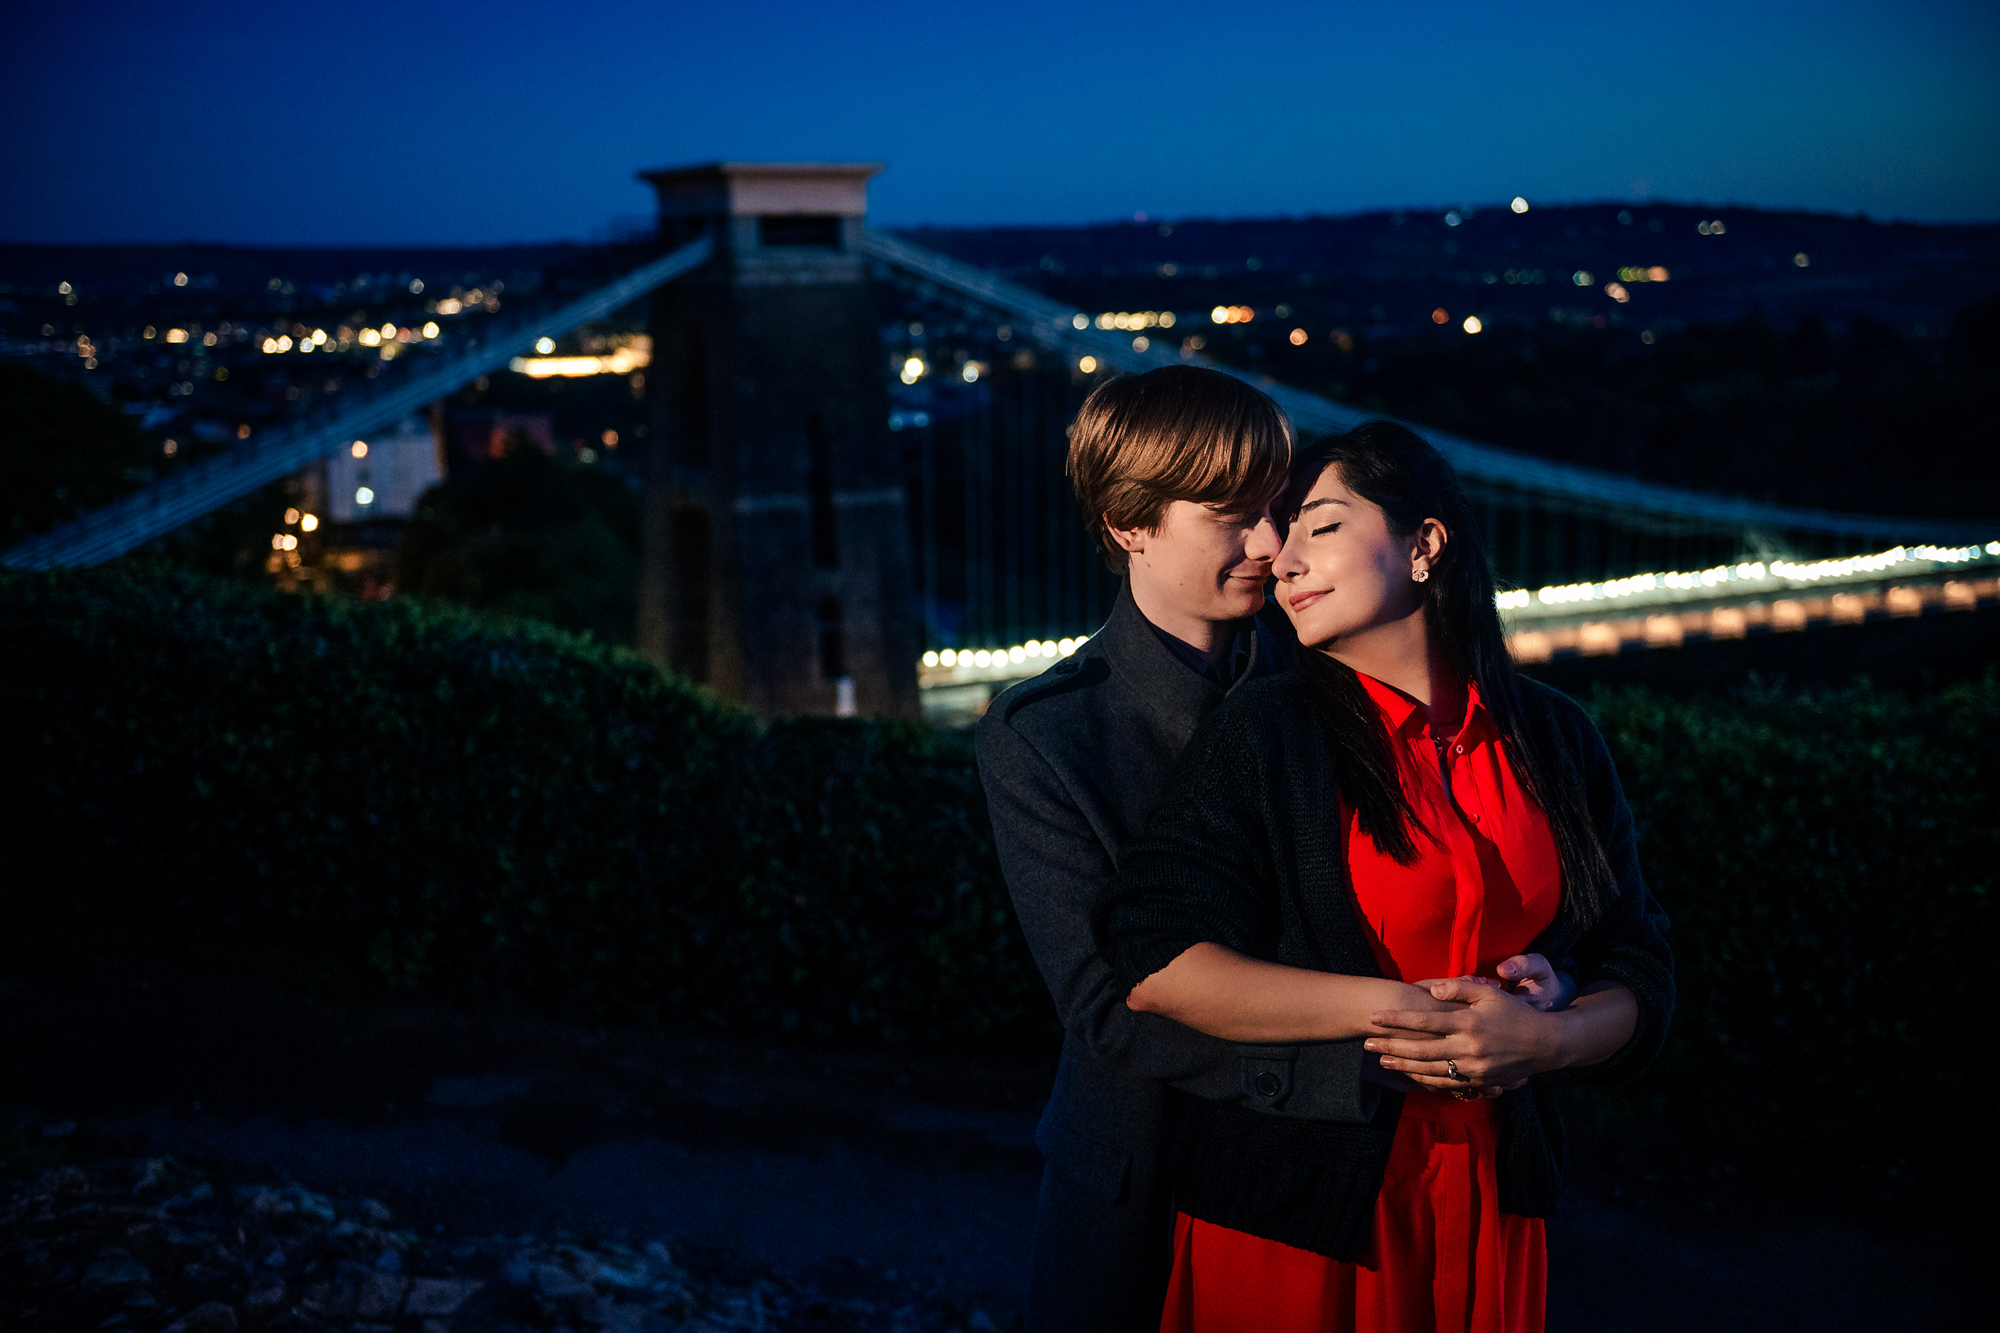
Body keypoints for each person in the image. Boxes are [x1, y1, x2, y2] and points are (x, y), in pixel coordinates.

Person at [975, 371, 1573, 1332]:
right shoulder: (1047, 733)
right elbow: (1107, 1006)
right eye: (1230, 517)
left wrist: (1529, 983)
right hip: (1152, 1168)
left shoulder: (1338, 669)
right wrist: (1378, 1056)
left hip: (1352, 1176)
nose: (1270, 546)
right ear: (1131, 524)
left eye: (1279, 511)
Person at [1095, 421, 1674, 1332]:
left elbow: (1638, 965)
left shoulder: (1557, 736)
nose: (1280, 561)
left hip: (1493, 1197)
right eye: (1277, 535)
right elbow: (1155, 959)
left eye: (1316, 526)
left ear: (1425, 543)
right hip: (1301, 1219)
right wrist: (1403, 1015)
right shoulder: (1268, 730)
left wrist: (1547, 1039)